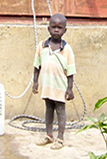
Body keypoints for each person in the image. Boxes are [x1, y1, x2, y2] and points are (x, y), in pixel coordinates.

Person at [32, 13, 76, 150]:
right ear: (48, 28)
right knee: (49, 110)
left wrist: (70, 89)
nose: (56, 30)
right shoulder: (42, 46)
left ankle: (60, 138)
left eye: (60, 28)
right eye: (53, 27)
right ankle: (49, 135)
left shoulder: (67, 49)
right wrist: (35, 82)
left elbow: (71, 71)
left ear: (65, 30)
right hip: (47, 86)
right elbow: (36, 66)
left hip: (60, 87)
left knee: (60, 111)